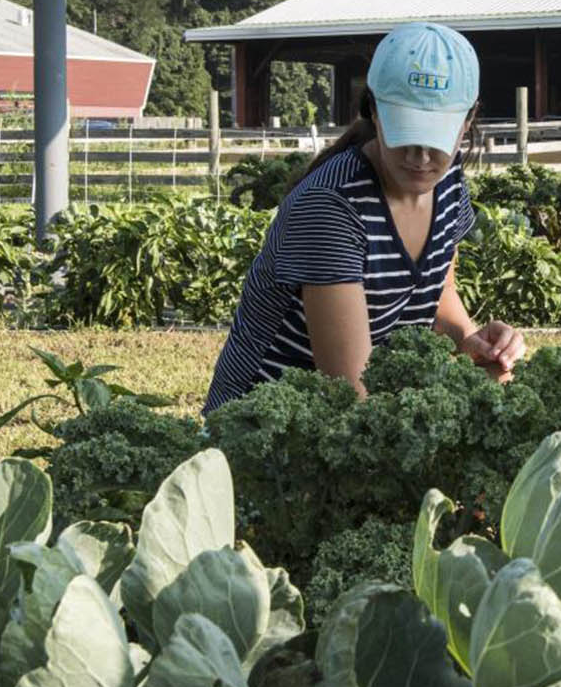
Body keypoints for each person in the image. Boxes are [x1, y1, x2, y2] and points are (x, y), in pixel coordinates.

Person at [203, 22, 525, 412]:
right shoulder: (331, 206)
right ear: (373, 110)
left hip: (351, 416)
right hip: (262, 426)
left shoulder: (448, 182)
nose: (420, 157)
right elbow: (348, 392)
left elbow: (437, 291)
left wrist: (471, 339)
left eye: (436, 139)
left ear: (468, 119)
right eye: (405, 134)